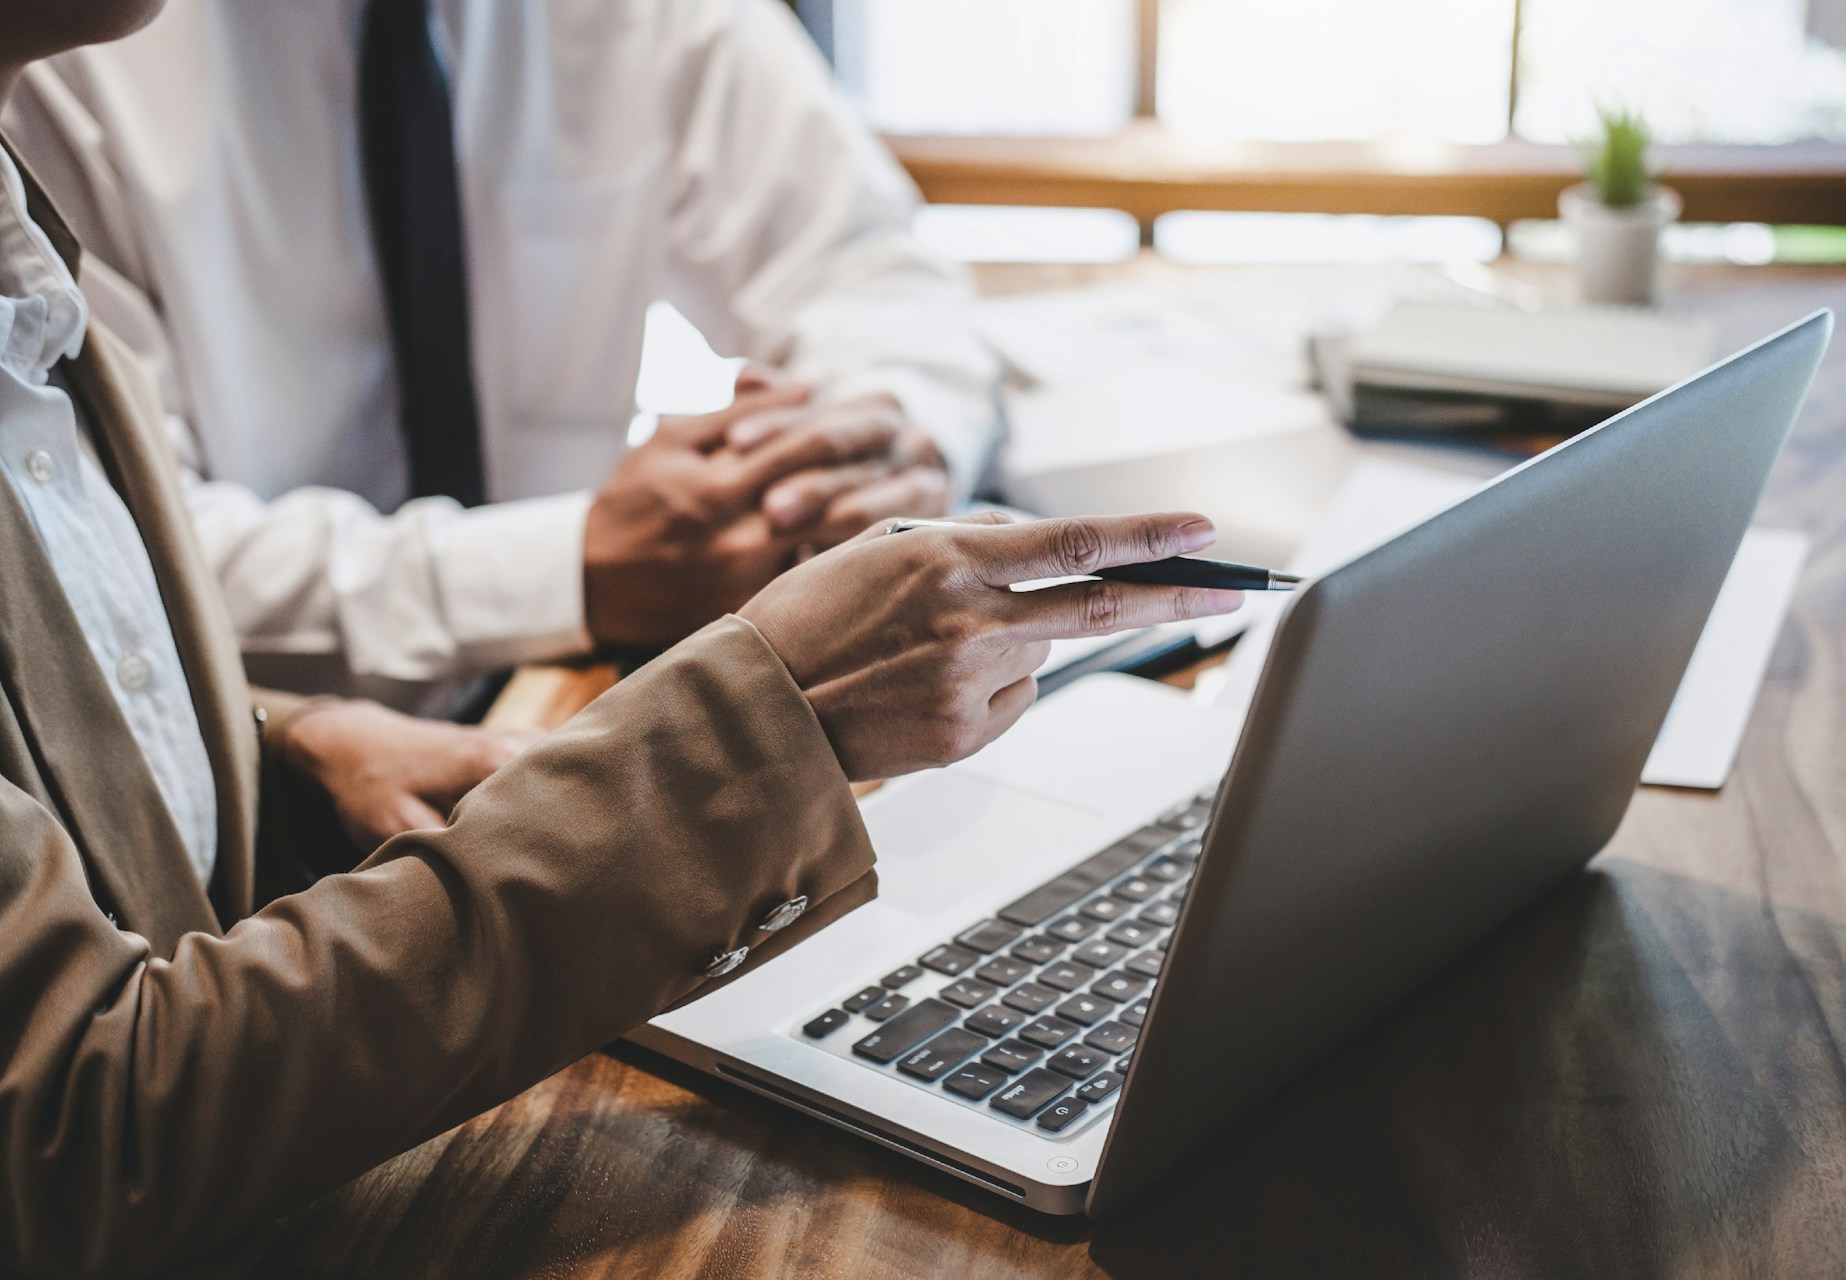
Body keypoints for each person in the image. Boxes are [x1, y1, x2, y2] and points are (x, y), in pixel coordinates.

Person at [0, 10, 1241, 1275]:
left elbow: (870, 267)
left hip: (397, 773)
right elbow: (80, 1128)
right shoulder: (79, 69)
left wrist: (872, 440)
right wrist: (651, 625)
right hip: (328, 925)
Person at [2, 0, 1004, 714]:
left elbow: (868, 265)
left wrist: (873, 436)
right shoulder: (75, 34)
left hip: (577, 697)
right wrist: (570, 567)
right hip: (270, 756)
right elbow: (118, 556)